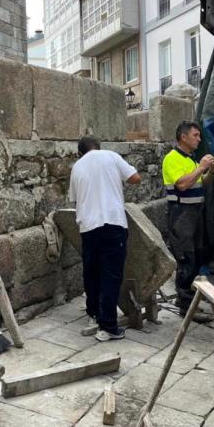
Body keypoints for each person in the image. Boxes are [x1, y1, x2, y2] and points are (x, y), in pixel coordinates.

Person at [69, 136, 142, 341]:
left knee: (91, 273)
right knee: (111, 274)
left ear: (80, 153)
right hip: (112, 222)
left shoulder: (77, 166)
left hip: (88, 226)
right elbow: (136, 178)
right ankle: (108, 326)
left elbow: (75, 199)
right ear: (99, 147)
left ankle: (93, 315)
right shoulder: (111, 156)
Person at [162, 121, 214, 322]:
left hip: (195, 213)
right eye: (195, 135)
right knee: (186, 259)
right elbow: (183, 184)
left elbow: (200, 183)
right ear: (183, 137)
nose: (199, 139)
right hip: (181, 214)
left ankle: (187, 300)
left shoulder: (191, 160)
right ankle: (186, 307)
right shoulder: (172, 158)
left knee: (198, 256)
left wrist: (210, 171)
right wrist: (201, 167)